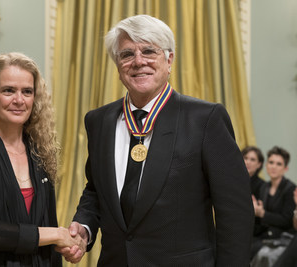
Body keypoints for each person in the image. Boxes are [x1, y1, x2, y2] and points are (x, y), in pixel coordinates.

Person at [57, 15, 254, 266]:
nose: (138, 62)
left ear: (169, 60)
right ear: (118, 66)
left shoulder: (205, 119)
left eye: (149, 51)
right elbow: (96, 191)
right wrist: (84, 227)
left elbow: (235, 213)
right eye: (127, 54)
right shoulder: (99, 121)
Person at [0, 52, 85, 266]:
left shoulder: (40, 151)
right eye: (8, 90)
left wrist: (65, 244)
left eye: (27, 92)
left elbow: (48, 225)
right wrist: (57, 235)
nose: (19, 100)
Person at [251, 146, 296, 266]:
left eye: (278, 164)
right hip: (265, 234)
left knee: (255, 251)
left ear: (285, 168)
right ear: (266, 165)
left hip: (283, 236)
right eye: (271, 162)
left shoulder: (291, 190)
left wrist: (263, 214)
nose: (273, 166)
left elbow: (287, 221)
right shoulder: (264, 187)